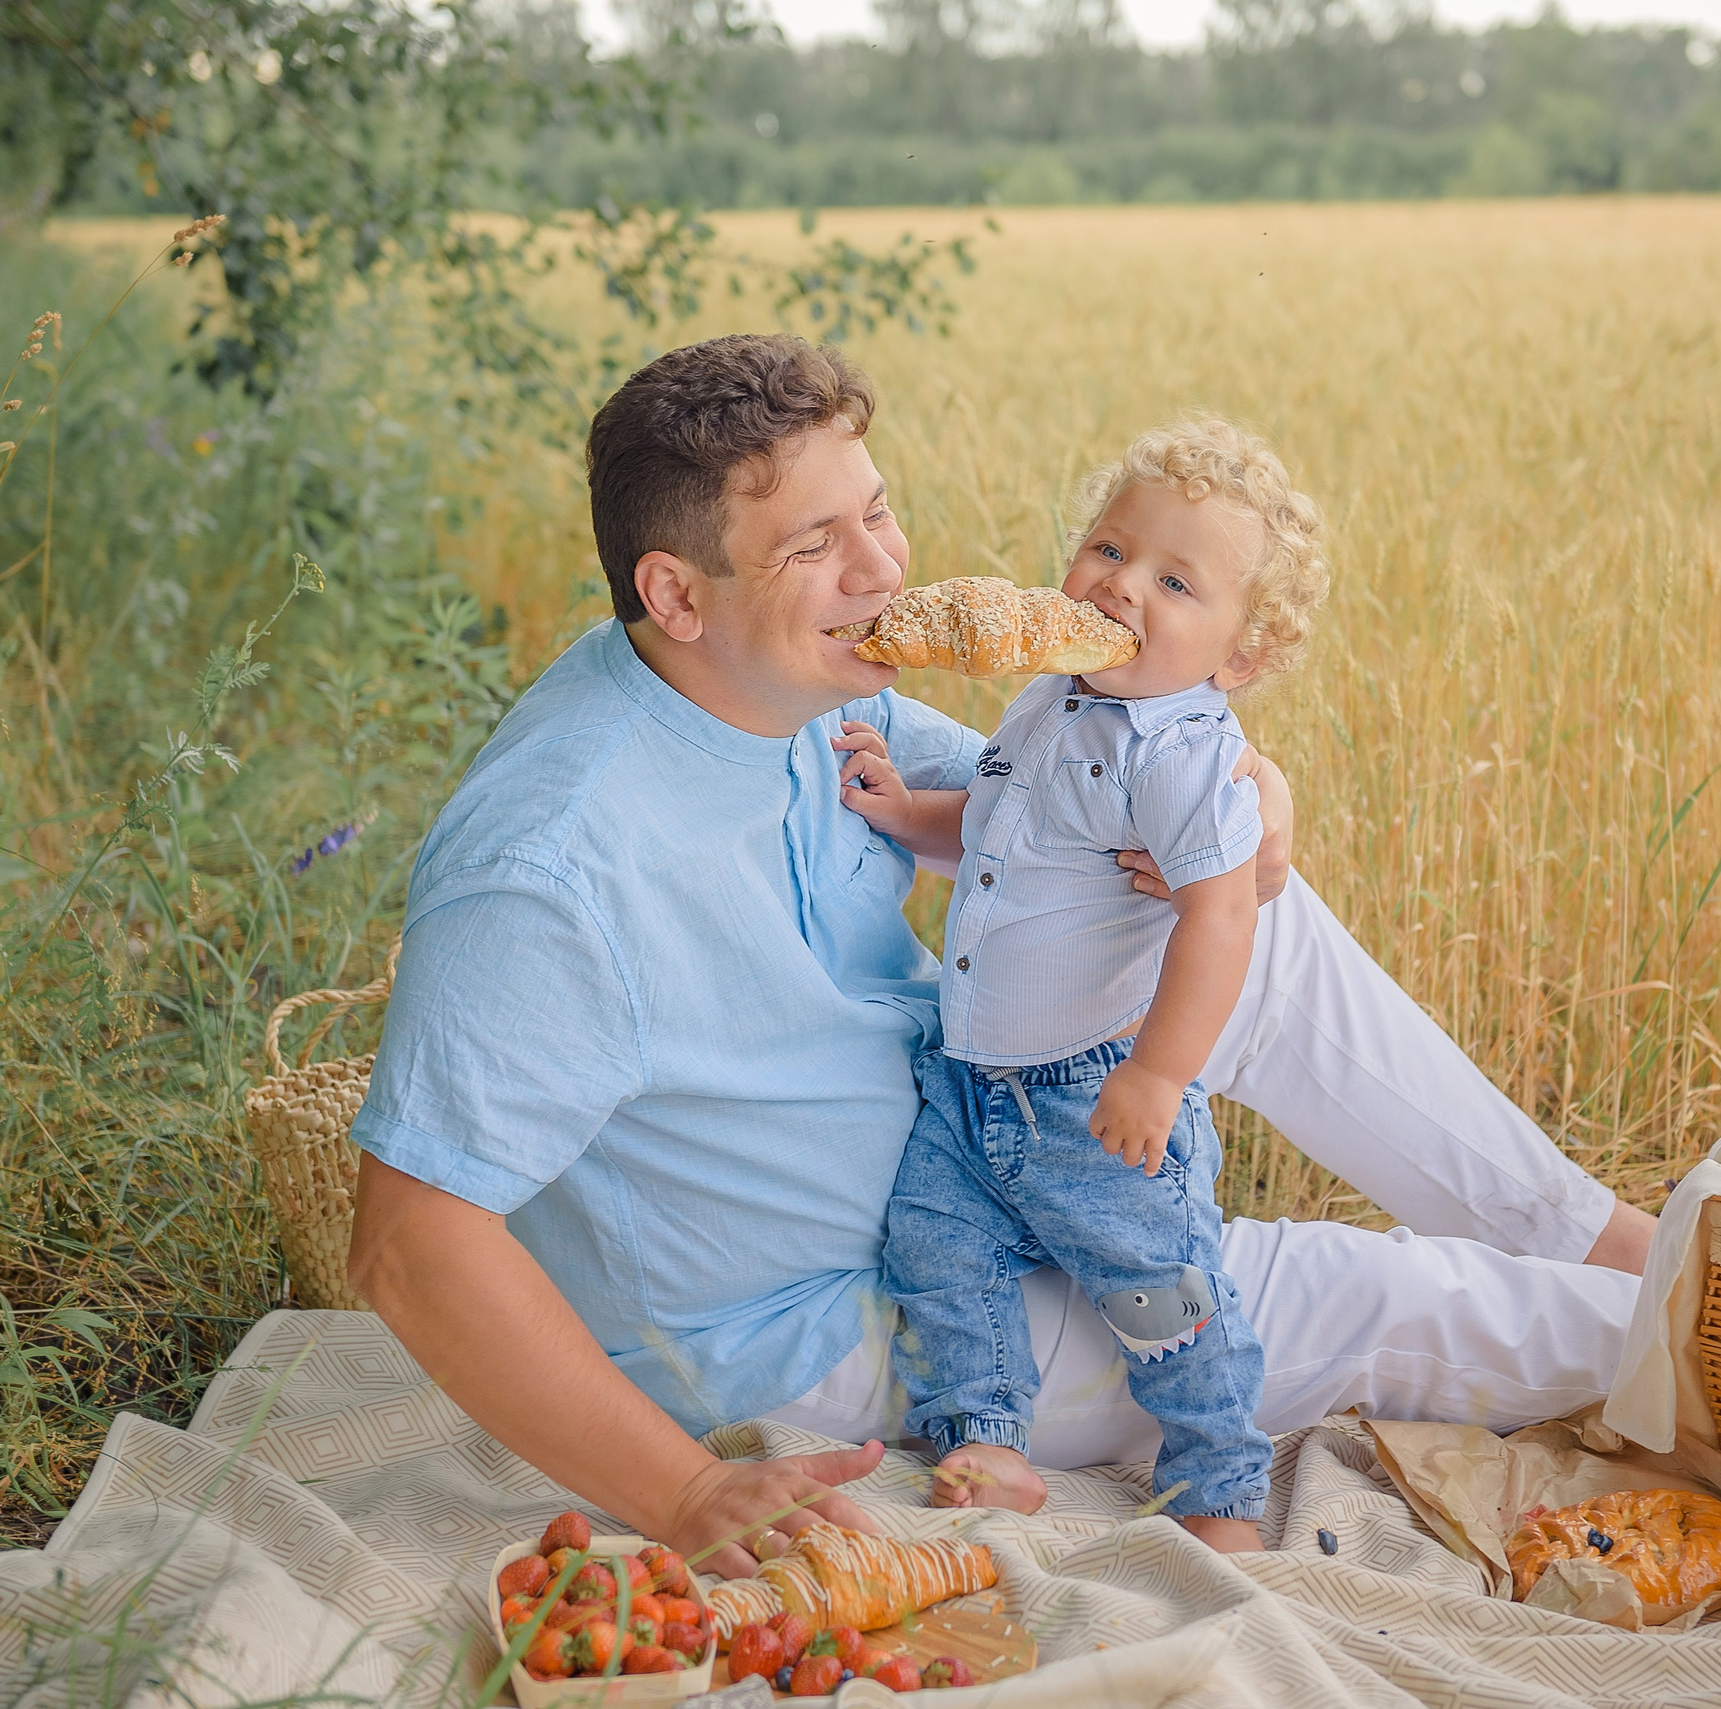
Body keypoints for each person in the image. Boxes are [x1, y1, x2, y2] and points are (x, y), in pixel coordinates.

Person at [345, 333, 1652, 1583]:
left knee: (1239, 915)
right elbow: (408, 1245)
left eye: (879, 510)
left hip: (984, 1124)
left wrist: (1246, 795)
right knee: (1352, 1299)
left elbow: (1055, 809)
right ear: (675, 592)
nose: (881, 569)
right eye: (817, 543)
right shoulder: (551, 871)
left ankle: (1609, 1240)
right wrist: (684, 1493)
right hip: (858, 1303)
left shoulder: (790, 675)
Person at [843, 420, 1325, 1552]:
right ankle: (986, 1436)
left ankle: (1217, 1484)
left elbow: (1216, 911)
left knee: (1160, 1293)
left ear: (1238, 653)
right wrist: (903, 813)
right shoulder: (1049, 701)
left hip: (1092, 1087)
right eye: (1108, 549)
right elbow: (996, 821)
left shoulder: (1183, 754)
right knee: (934, 1250)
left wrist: (1159, 1073)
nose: (1118, 586)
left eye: (1173, 579)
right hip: (970, 1084)